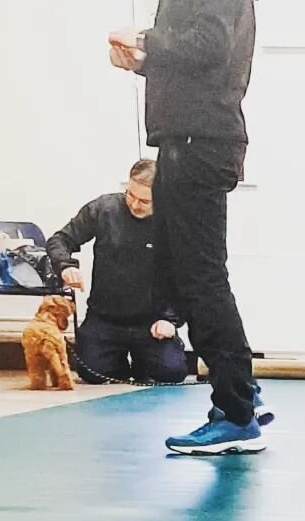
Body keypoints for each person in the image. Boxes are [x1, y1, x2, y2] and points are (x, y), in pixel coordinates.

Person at [108, 1, 270, 455]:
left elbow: (209, 46)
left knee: (200, 279)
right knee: (188, 275)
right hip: (190, 139)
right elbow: (197, 65)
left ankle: (236, 411)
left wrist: (144, 39)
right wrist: (145, 62)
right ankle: (239, 391)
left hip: (199, 142)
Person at [47, 159, 188, 388]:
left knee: (171, 372)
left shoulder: (172, 223)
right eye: (130, 195)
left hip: (150, 321)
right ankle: (120, 363)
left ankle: (144, 361)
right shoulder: (104, 209)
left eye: (144, 201)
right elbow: (59, 240)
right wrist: (66, 265)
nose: (134, 204)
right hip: (105, 317)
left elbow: (185, 275)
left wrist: (171, 320)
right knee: (92, 371)